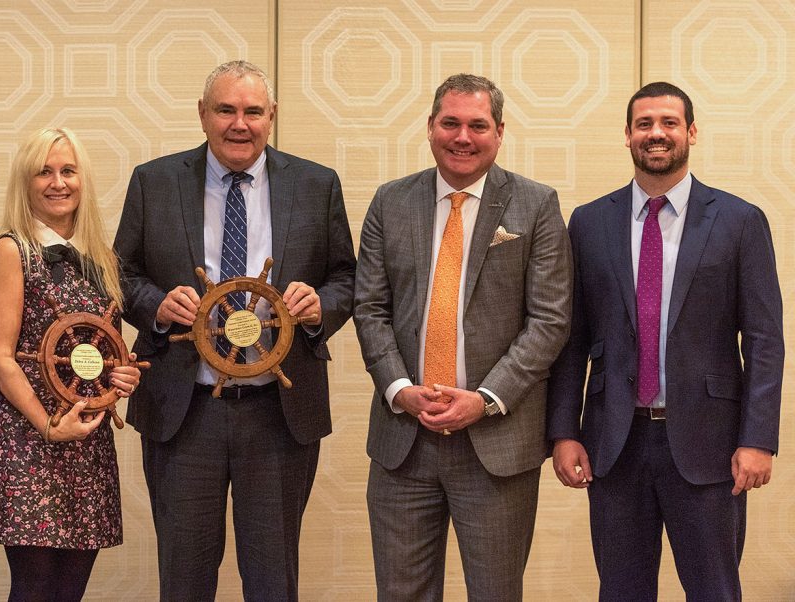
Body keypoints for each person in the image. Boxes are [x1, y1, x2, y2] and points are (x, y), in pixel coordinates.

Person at [113, 60, 356, 600]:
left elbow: (347, 277)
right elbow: (121, 273)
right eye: (226, 110)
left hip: (278, 413)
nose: (239, 124)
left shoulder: (317, 184)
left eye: (252, 111)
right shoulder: (154, 181)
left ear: (272, 117)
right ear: (203, 115)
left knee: (273, 582)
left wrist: (320, 306)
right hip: (184, 410)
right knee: (183, 579)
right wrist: (157, 304)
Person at [547, 82, 784, 601]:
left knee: (714, 591)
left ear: (691, 133)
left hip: (711, 446)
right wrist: (564, 432)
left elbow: (765, 340)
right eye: (644, 124)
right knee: (622, 591)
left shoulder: (740, 220)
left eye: (669, 123)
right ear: (628, 136)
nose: (657, 133)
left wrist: (758, 439)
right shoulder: (589, 222)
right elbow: (570, 339)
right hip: (614, 444)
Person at [353, 73, 572, 601]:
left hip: (496, 444)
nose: (462, 136)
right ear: (430, 128)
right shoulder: (390, 202)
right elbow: (369, 308)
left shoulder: (535, 204)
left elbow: (549, 319)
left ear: (499, 132)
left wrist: (486, 399)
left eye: (478, 125)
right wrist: (398, 388)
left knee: (496, 592)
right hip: (403, 442)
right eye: (450, 122)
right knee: (401, 592)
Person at [0, 127, 141, 601]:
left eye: (68, 170)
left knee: (70, 591)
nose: (57, 182)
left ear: (82, 180)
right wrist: (48, 425)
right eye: (43, 172)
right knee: (34, 589)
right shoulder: (12, 251)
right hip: (28, 443)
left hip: (87, 442)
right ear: (24, 183)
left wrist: (120, 375)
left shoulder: (101, 259)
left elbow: (101, 352)